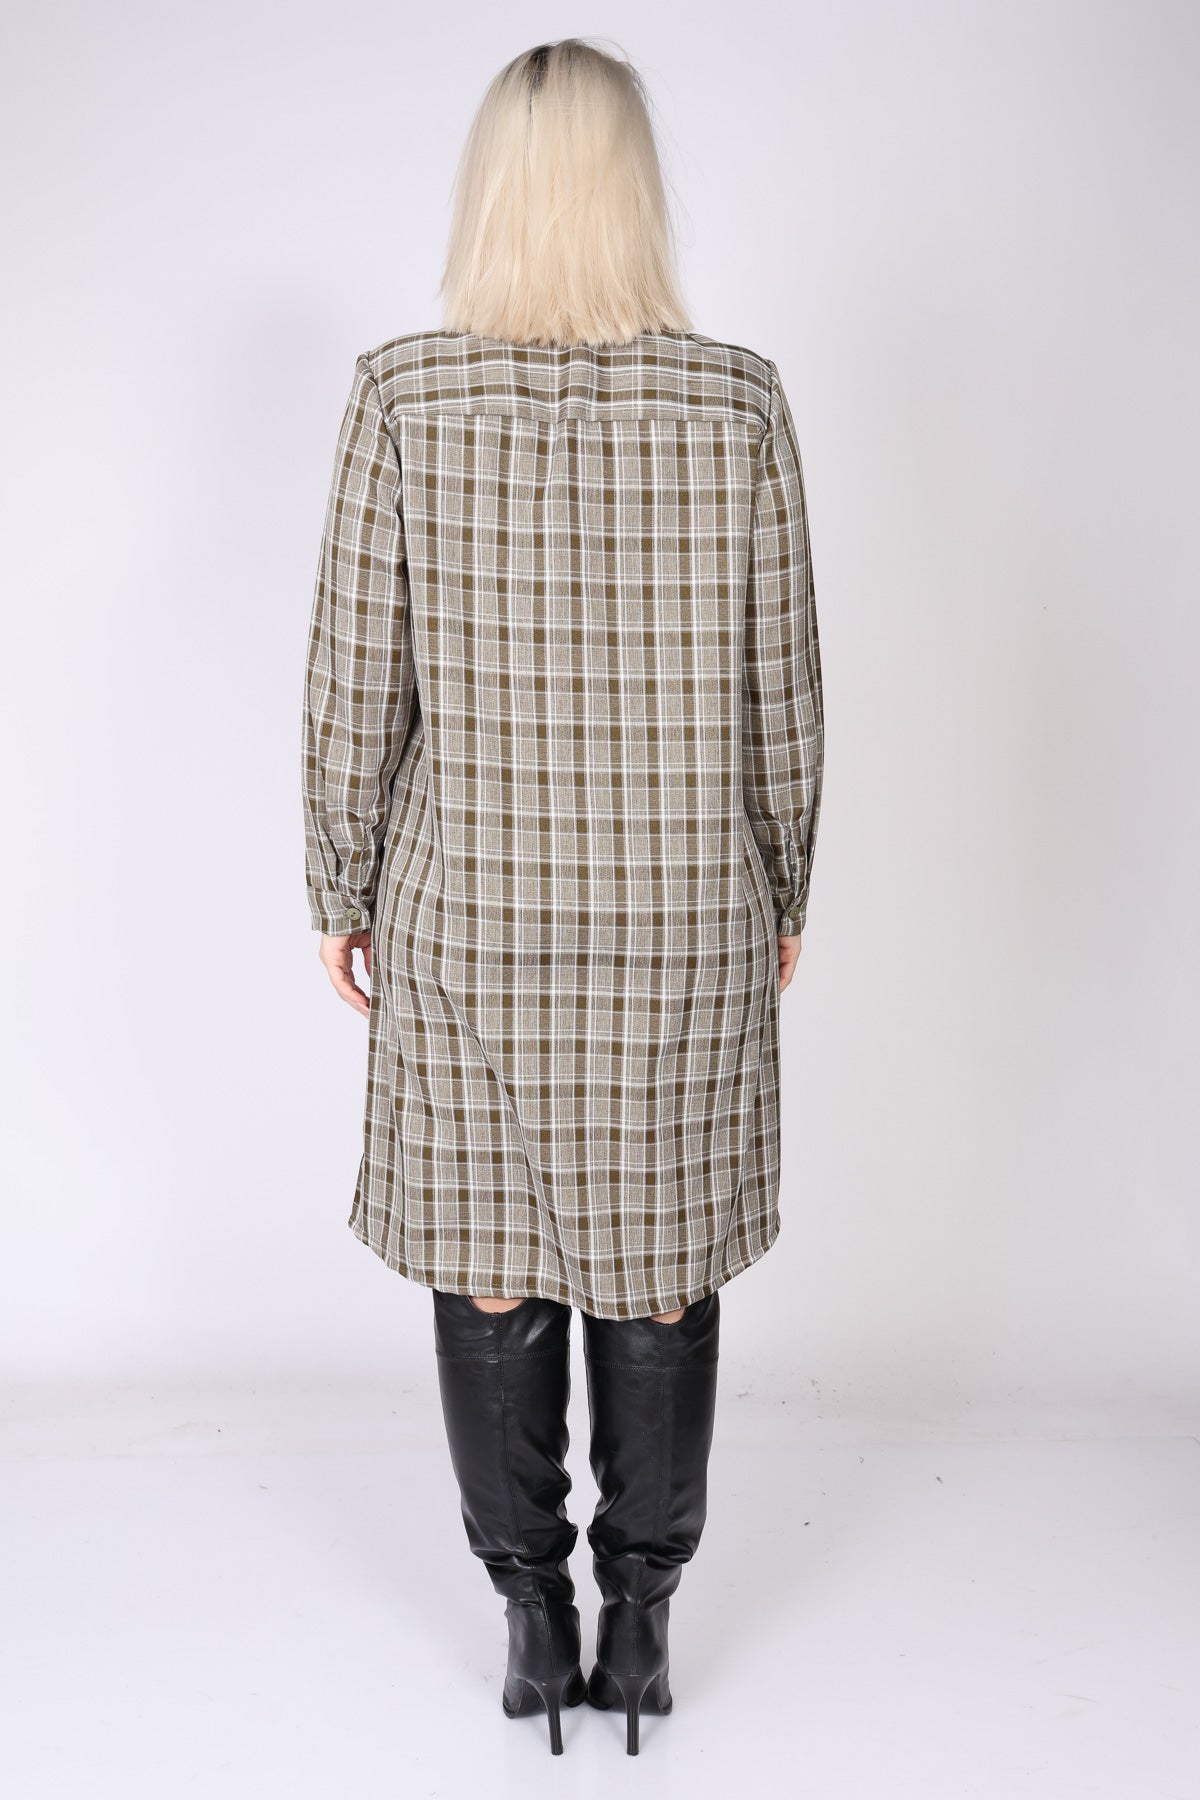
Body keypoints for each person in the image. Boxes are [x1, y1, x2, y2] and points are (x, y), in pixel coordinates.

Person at [300, 37, 825, 1757]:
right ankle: (641, 1627)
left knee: (489, 1261)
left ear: (493, 193)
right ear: (635, 193)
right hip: (680, 914)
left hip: (470, 913)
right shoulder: (738, 402)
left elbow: (355, 677)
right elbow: (782, 683)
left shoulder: (403, 396)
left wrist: (338, 874)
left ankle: (532, 1621)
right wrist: (784, 873)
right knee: (660, 1270)